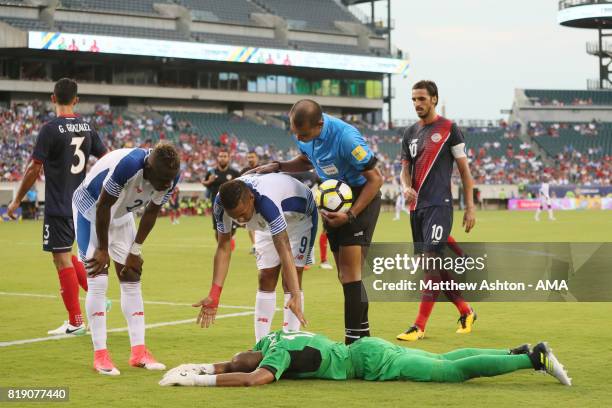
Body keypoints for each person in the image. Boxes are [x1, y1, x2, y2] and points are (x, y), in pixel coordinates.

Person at [249, 99, 383, 345]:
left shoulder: (346, 138)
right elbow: (306, 160)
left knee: (352, 272)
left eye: (304, 133)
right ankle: (363, 337)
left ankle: (353, 342)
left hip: (359, 198)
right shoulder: (304, 134)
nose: (299, 136)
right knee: (344, 275)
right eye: (296, 132)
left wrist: (350, 214)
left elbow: (376, 179)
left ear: (319, 124)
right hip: (331, 199)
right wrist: (278, 166)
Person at [7, 78, 107, 336]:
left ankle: (75, 321)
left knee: (61, 259)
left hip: (59, 204)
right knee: (65, 254)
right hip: (81, 205)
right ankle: (97, 299)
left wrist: (17, 200)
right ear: (76, 100)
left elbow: (34, 167)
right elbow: (106, 160)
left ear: (53, 98)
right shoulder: (87, 126)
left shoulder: (50, 129)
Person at [72, 143, 180, 375]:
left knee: (131, 274)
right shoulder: (129, 165)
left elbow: (151, 211)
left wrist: (136, 250)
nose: (166, 185)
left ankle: (138, 352)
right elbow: (103, 206)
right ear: (148, 168)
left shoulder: (170, 172)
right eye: (161, 181)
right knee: (98, 276)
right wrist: (102, 249)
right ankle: (101, 355)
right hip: (91, 210)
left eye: (169, 181)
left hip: (121, 215)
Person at [159, 329, 571, 387]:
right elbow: (239, 364)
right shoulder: (272, 338)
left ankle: (532, 360)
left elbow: (251, 379)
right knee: (445, 356)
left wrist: (196, 381)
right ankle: (510, 351)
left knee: (449, 373)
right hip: (366, 347)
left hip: (371, 364)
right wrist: (201, 364)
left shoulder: (276, 357)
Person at [397, 80, 477, 341]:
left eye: (421, 99)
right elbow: (404, 169)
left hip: (440, 206)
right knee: (432, 268)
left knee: (431, 263)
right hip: (416, 208)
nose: (417, 104)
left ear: (433, 99)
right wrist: (406, 187)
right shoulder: (409, 133)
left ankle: (419, 326)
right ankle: (466, 311)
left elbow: (464, 171)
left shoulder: (449, 129)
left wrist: (470, 207)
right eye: (413, 100)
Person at [192, 173, 315, 341]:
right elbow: (223, 247)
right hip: (264, 221)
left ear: (251, 198)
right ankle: (261, 345)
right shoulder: (220, 203)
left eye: (242, 213)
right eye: (235, 217)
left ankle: (290, 340)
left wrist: (295, 295)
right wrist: (214, 295)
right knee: (265, 276)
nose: (241, 220)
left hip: (299, 217)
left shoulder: (266, 201)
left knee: (291, 278)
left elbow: (284, 248)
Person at [202, 149, 240, 244]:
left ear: (228, 158)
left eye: (224, 156)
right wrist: (209, 181)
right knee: (217, 228)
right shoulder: (212, 172)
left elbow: (241, 185)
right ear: (217, 158)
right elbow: (204, 182)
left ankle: (230, 240)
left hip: (231, 204)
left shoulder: (234, 173)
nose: (222, 158)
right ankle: (220, 246)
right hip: (216, 205)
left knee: (233, 227)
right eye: (220, 156)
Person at [240, 151, 261, 254]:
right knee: (250, 224)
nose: (250, 159)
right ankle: (255, 246)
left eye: (252, 157)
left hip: (261, 200)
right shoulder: (244, 171)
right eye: (248, 157)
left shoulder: (263, 169)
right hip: (248, 202)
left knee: (263, 223)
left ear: (257, 158)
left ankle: (263, 246)